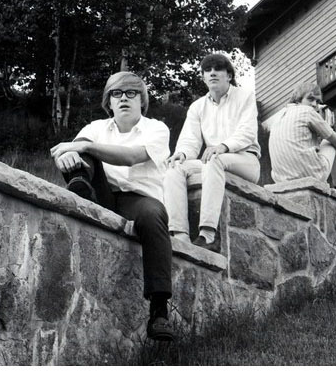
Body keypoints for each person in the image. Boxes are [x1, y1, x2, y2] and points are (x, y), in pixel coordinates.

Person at [50, 72, 175, 342]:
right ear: (109, 102)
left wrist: (84, 146)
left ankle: (159, 310)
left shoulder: (157, 129)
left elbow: (132, 157)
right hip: (102, 193)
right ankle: (80, 188)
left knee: (153, 215)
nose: (124, 98)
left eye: (131, 93)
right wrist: (67, 156)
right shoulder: (96, 127)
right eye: (117, 94)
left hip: (139, 199)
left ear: (142, 100)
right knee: (79, 151)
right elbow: (68, 151)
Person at [164, 53, 260, 253]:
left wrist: (224, 146)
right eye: (207, 70)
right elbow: (190, 140)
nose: (212, 73)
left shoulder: (245, 96)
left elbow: (247, 132)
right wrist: (182, 153)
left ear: (229, 75)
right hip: (214, 160)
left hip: (246, 160)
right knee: (175, 167)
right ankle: (180, 235)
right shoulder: (197, 107)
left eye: (218, 69)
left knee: (213, 160)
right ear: (203, 77)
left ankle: (208, 235)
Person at [268, 82, 336, 192]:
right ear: (298, 99)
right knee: (330, 142)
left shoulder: (279, 117)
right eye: (310, 99)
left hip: (281, 179)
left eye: (318, 101)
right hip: (309, 174)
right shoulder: (307, 111)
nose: (314, 104)